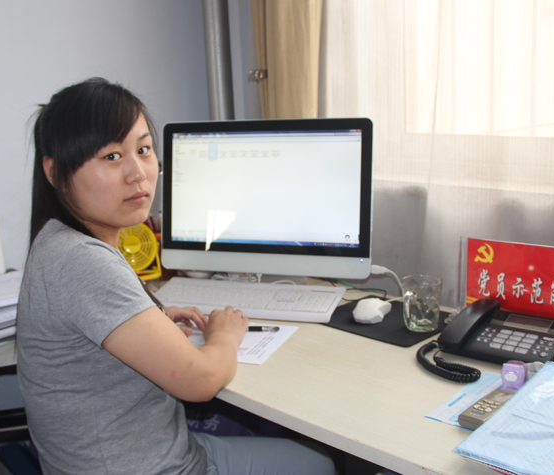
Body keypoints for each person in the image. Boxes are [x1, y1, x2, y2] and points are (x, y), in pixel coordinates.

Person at [17, 78, 336, 475]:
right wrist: (224, 335)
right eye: (111, 156)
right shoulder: (81, 261)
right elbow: (201, 381)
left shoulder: (56, 241)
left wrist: (151, 319)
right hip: (153, 468)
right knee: (319, 464)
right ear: (54, 171)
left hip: (131, 455)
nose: (138, 173)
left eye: (143, 149)